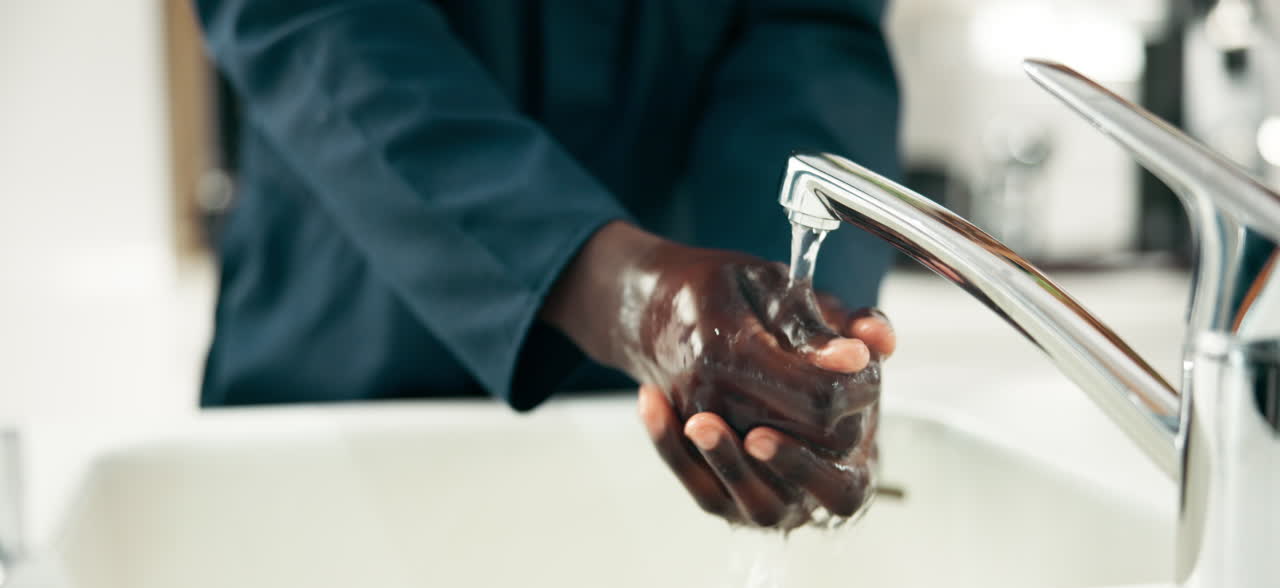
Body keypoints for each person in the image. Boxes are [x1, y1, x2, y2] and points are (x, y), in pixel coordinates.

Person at [194, 0, 901, 529]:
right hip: (347, 370)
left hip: (665, 398)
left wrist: (781, 355)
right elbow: (310, 18)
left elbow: (810, 31)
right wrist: (631, 299)